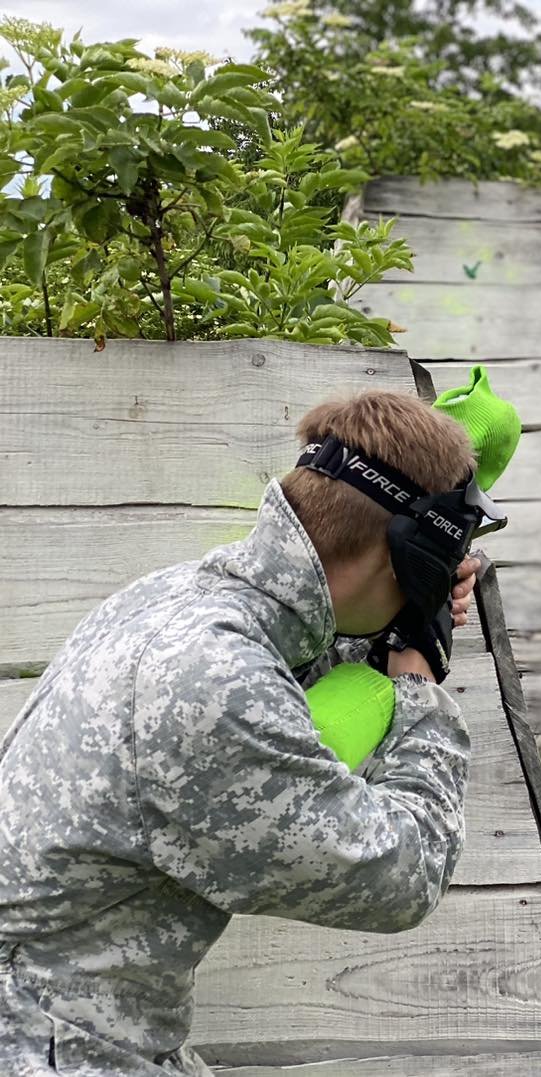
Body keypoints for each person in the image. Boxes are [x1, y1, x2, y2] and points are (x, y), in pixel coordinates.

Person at [0, 390, 491, 1075]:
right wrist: (416, 684)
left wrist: (395, 621)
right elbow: (406, 870)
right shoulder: (214, 685)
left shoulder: (176, 599)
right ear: (408, 558)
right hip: (51, 1049)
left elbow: (286, 673)